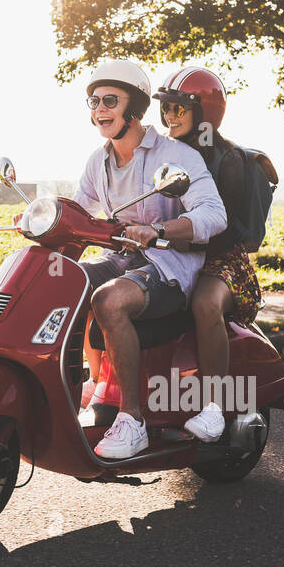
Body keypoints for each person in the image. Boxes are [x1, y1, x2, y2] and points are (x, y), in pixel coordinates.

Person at [72, 60, 227, 460]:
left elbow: (214, 214)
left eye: (109, 100)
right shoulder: (98, 160)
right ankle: (87, 385)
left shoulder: (175, 156)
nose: (99, 108)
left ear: (135, 108)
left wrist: (160, 230)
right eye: (94, 101)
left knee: (108, 300)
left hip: (168, 267)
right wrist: (43, 219)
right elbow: (78, 209)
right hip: (121, 259)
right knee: (65, 284)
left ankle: (132, 420)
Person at [153, 66, 264, 443]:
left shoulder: (226, 159)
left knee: (203, 305)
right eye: (167, 108)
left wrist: (180, 237)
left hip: (222, 260)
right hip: (173, 250)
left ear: (205, 112)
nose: (170, 116)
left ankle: (214, 408)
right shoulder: (166, 151)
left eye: (179, 109)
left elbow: (222, 226)